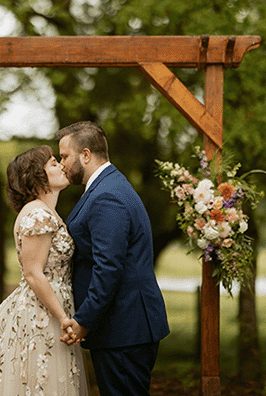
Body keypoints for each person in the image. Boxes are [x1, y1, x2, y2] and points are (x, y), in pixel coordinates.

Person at [0, 145, 89, 396]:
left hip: (49, 306)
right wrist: (63, 318)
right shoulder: (38, 214)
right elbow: (33, 273)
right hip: (43, 313)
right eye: (53, 163)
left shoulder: (46, 212)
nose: (60, 166)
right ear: (37, 177)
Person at [57, 121, 170, 396]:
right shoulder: (107, 187)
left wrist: (84, 321)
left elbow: (108, 268)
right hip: (122, 327)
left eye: (64, 156)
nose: (61, 164)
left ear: (85, 155)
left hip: (124, 327)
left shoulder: (107, 196)